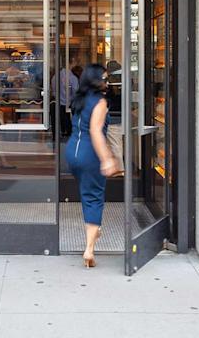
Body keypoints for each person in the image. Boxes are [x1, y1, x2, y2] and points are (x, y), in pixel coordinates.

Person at [64, 63, 121, 268]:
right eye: (105, 79)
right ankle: (89, 248)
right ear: (94, 80)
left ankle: (95, 227)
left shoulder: (78, 100)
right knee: (94, 199)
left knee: (87, 193)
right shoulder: (101, 102)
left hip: (72, 151)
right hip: (90, 154)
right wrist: (107, 158)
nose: (108, 82)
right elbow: (96, 132)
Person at [57, 63, 79, 138]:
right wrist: (71, 99)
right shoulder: (72, 77)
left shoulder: (55, 76)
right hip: (70, 102)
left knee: (62, 118)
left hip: (60, 102)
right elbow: (75, 91)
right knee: (69, 118)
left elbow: (53, 90)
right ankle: (69, 132)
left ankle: (63, 131)